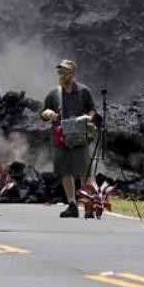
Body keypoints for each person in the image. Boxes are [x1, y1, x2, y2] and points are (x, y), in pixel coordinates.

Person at [40, 59, 96, 217]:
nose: (61, 74)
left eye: (64, 71)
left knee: (84, 170)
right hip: (62, 136)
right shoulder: (53, 94)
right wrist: (47, 114)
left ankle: (88, 203)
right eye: (60, 71)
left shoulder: (84, 91)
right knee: (66, 171)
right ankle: (72, 203)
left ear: (72, 73)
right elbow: (44, 113)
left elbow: (92, 109)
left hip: (79, 135)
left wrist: (88, 119)